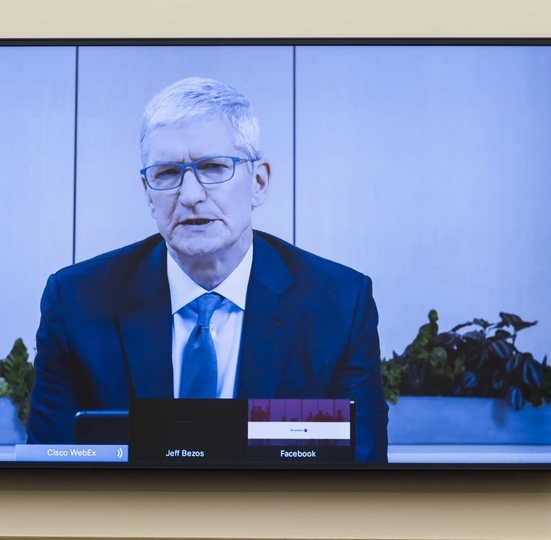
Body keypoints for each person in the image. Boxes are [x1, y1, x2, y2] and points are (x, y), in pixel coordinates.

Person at [27, 77, 389, 462]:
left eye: (214, 168)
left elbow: (360, 472)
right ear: (148, 193)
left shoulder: (338, 304)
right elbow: (51, 473)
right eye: (166, 174)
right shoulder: (76, 303)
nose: (190, 195)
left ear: (260, 182)